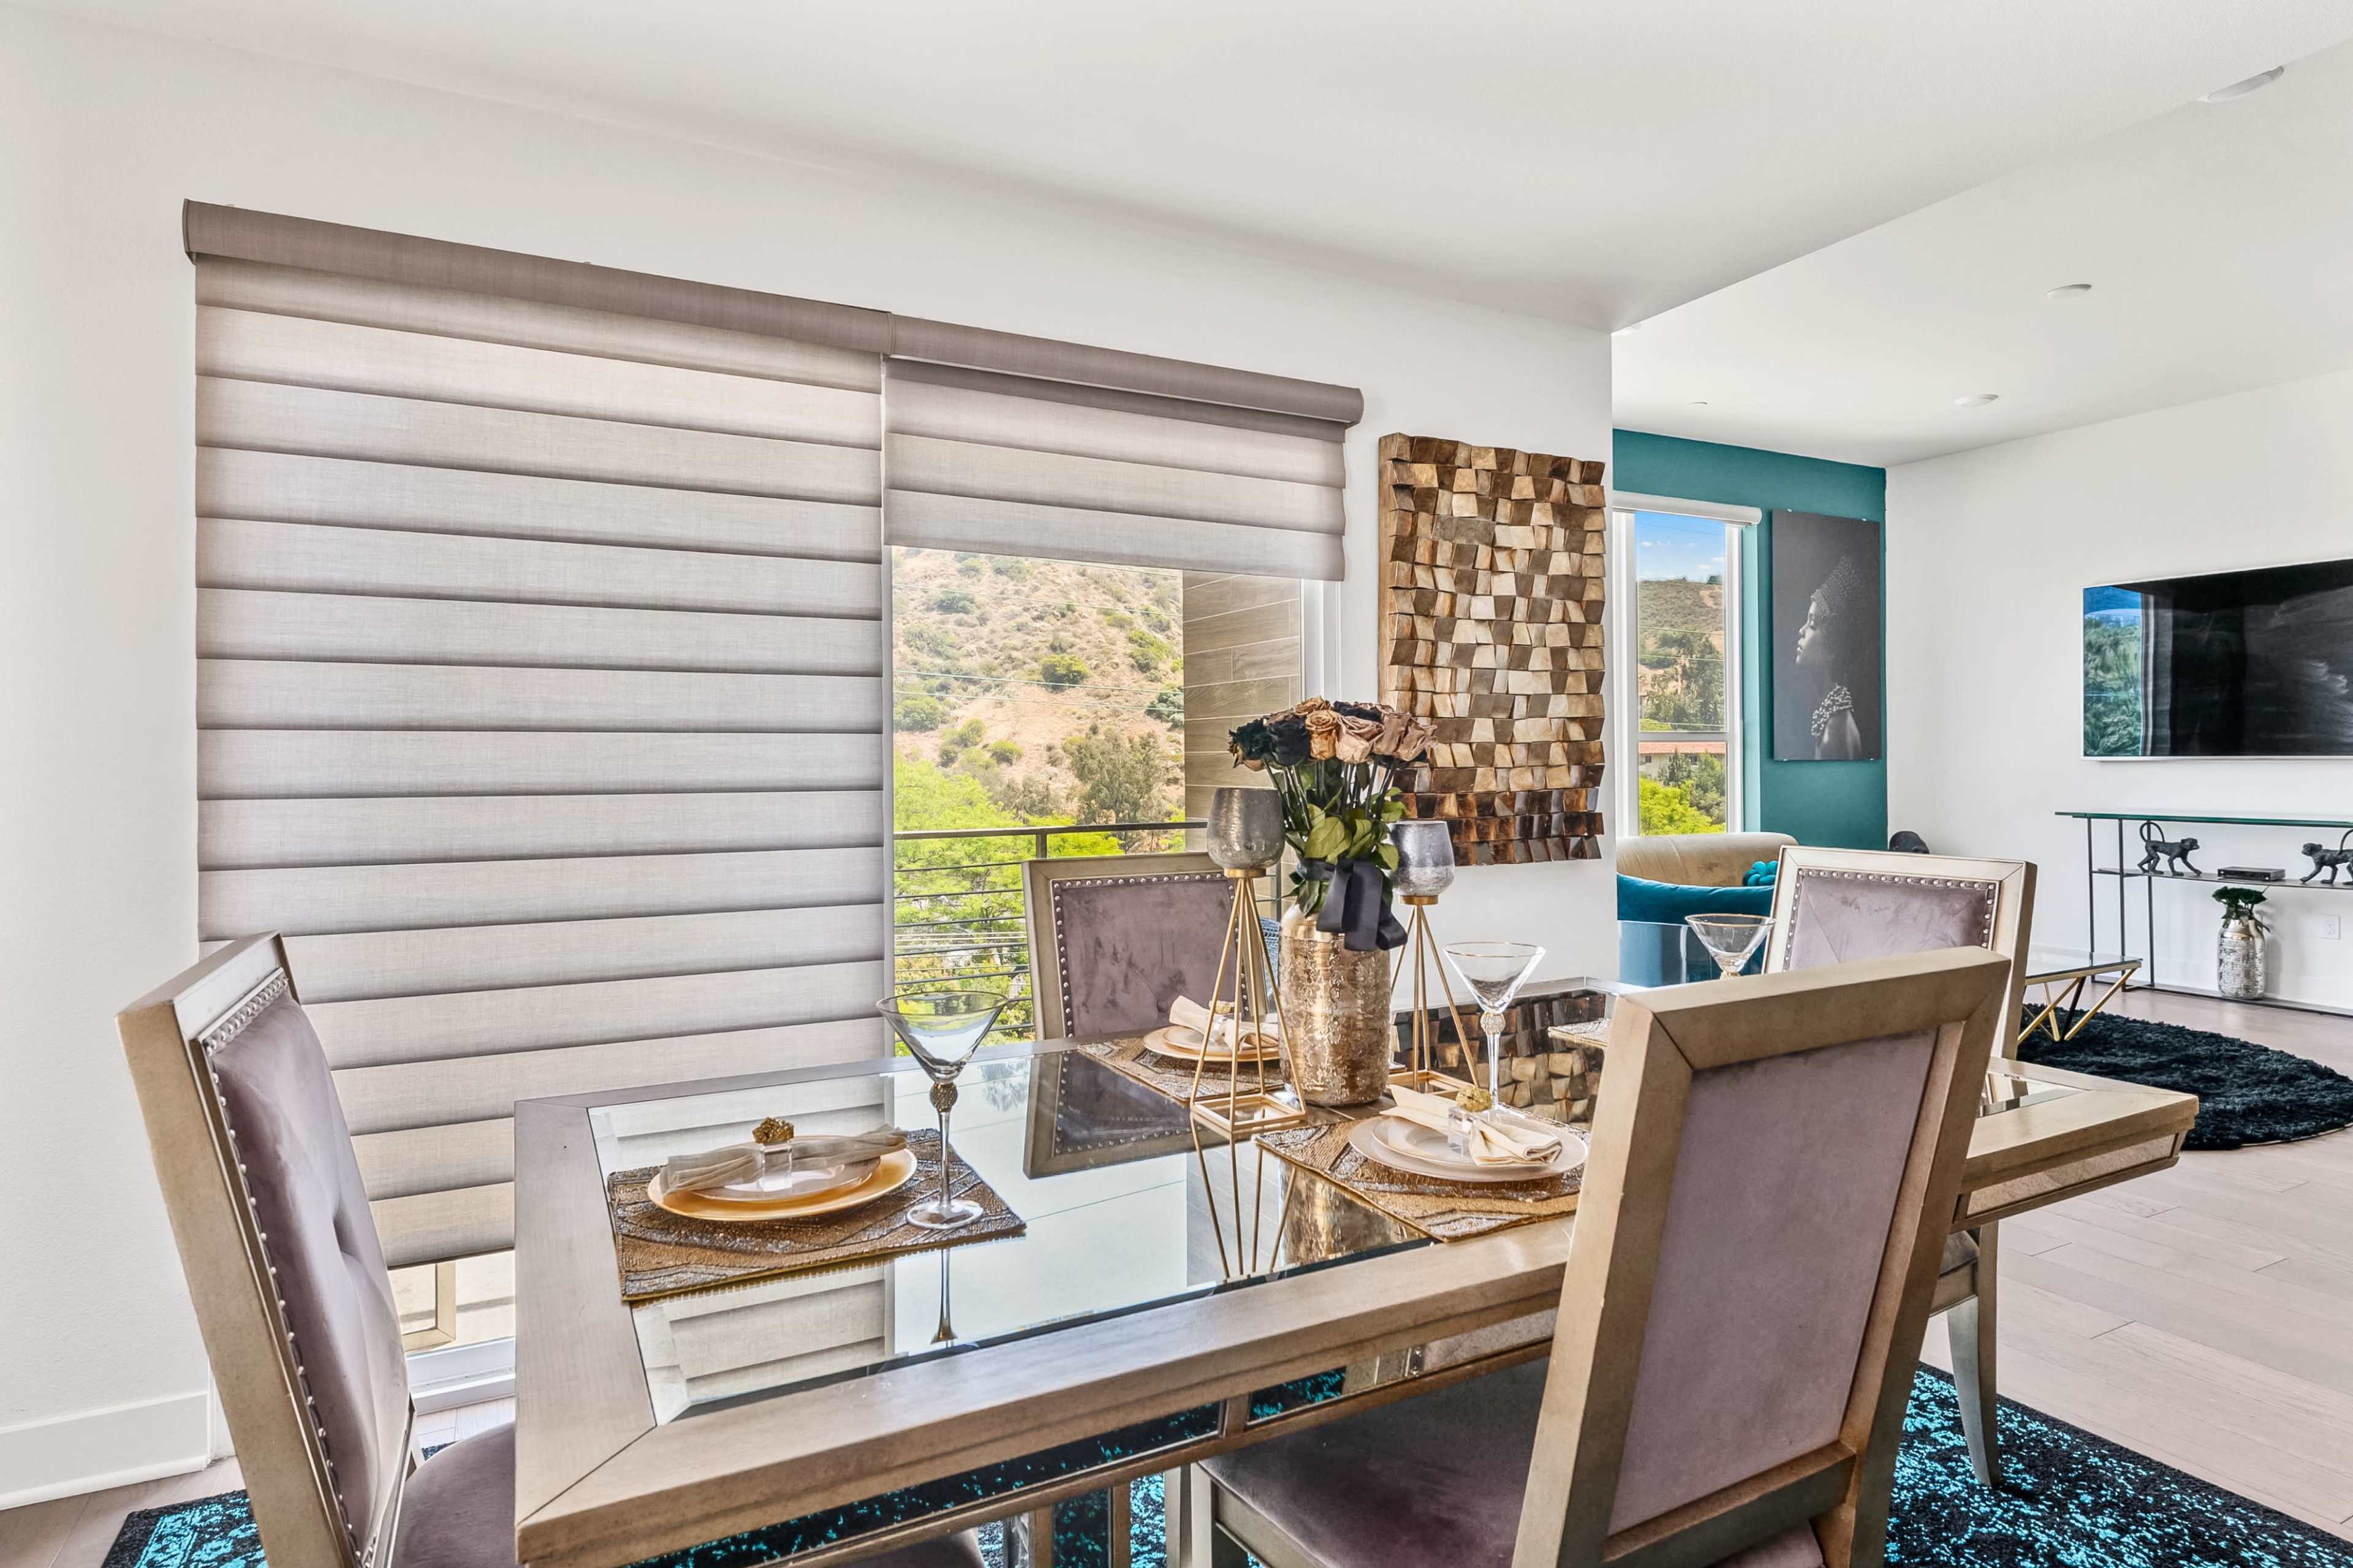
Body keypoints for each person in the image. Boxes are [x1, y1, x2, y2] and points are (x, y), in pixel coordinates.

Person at [1794, 554, 1868, 760]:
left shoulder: (1835, 733)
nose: (1801, 631)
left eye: (1813, 625)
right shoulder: (1831, 719)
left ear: (1834, 646)